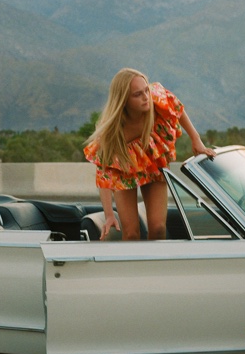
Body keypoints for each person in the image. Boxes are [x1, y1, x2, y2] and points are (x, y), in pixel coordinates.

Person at [84, 68, 216, 240]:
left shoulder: (155, 100)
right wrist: (109, 214)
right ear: (124, 100)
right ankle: (132, 266)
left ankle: (156, 265)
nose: (146, 97)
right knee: (131, 233)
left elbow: (177, 107)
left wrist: (196, 139)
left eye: (146, 90)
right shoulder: (113, 131)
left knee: (158, 228)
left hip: (153, 162)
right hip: (125, 170)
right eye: (137, 94)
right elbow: (104, 174)